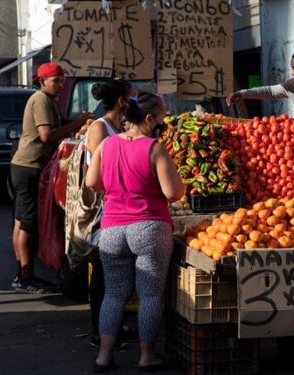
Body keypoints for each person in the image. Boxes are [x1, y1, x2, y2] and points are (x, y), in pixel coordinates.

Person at [85, 92, 185, 372]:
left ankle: (104, 356)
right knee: (150, 295)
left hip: (113, 230)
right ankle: (146, 355)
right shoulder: (154, 148)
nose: (164, 123)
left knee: (114, 294)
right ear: (151, 119)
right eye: (163, 118)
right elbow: (173, 193)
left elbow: (92, 182)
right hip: (150, 227)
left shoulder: (106, 143)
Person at [10, 62, 93, 293]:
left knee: (21, 220)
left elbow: (61, 125)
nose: (60, 84)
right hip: (29, 167)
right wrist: (77, 123)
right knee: (27, 222)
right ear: (43, 81)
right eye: (56, 80)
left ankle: (21, 275)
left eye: (62, 79)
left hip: (25, 167)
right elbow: (47, 136)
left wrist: (79, 119)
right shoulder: (40, 100)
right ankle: (26, 278)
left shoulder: (50, 102)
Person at [83, 79, 138, 348]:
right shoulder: (99, 128)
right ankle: (99, 330)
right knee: (104, 276)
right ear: (122, 102)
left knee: (117, 276)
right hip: (104, 211)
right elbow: (100, 171)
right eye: (133, 98)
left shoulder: (117, 127)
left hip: (119, 207)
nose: (135, 103)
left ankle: (114, 325)